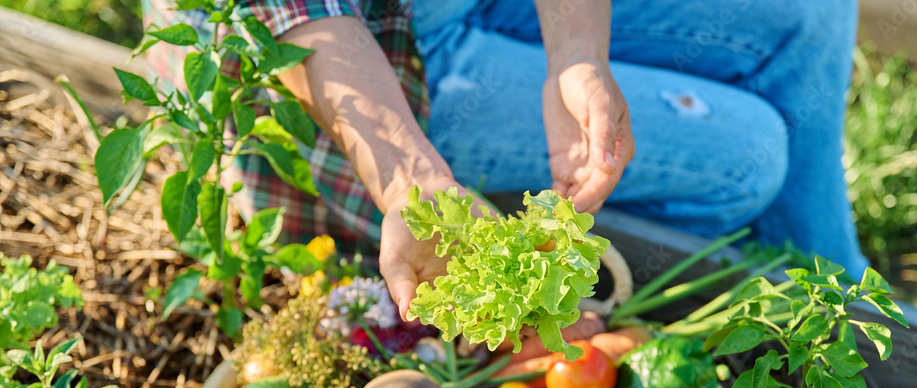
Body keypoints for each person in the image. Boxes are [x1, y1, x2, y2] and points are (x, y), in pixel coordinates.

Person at [142, 0, 869, 319]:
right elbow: (296, 19)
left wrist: (577, 58)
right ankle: (634, 279)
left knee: (812, 11)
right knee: (749, 154)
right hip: (362, 60)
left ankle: (839, 301)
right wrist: (414, 185)